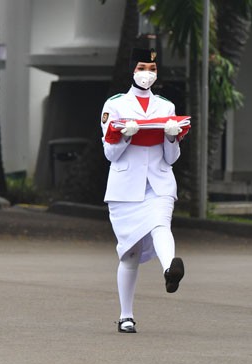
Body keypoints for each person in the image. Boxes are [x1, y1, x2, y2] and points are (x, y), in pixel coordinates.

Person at [100, 47, 190, 334]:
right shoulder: (115, 104)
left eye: (152, 69)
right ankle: (125, 315)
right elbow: (110, 154)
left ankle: (169, 269)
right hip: (126, 187)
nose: (147, 74)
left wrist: (172, 138)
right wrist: (125, 136)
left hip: (159, 182)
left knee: (161, 224)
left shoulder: (165, 107)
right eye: (142, 68)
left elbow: (171, 158)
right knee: (129, 254)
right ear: (132, 70)